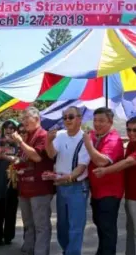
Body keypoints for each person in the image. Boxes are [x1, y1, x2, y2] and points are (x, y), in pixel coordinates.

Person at [93, 116, 136, 255]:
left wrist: (105, 171)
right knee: (131, 230)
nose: (131, 133)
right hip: (131, 194)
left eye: (135, 130)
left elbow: (127, 162)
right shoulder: (133, 144)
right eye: (129, 130)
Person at [45, 106, 91, 255]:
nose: (67, 120)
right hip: (61, 185)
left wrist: (70, 177)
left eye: (70, 117)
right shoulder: (60, 135)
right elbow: (51, 154)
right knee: (62, 226)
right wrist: (48, 141)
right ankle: (67, 250)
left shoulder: (85, 138)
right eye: (64, 117)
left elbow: (82, 166)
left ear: (79, 119)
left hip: (77, 186)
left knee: (75, 227)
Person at [11, 107, 55, 255]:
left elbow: (37, 157)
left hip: (40, 188)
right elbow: (24, 158)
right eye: (22, 119)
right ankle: (29, 248)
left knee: (41, 225)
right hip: (25, 187)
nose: (23, 122)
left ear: (36, 119)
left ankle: (40, 251)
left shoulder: (43, 135)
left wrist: (20, 142)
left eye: (26, 119)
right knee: (28, 223)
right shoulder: (28, 135)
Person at [82, 107, 125, 255]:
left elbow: (101, 162)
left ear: (110, 122)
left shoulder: (114, 139)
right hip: (97, 192)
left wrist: (88, 144)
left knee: (107, 229)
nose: (97, 124)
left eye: (101, 121)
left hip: (110, 193)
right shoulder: (95, 135)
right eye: (95, 120)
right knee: (100, 225)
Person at [0, 120, 20, 246]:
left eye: (12, 128)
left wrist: (14, 145)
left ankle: (9, 236)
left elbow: (21, 157)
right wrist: (3, 150)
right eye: (7, 128)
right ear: (3, 129)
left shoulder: (19, 143)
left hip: (13, 179)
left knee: (11, 208)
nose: (9, 130)